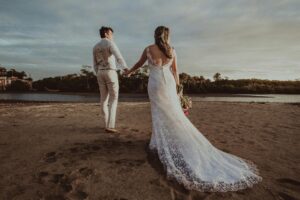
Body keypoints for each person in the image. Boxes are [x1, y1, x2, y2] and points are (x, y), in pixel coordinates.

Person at [124, 26, 262, 192]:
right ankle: (165, 139)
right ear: (167, 36)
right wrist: (178, 91)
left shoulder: (148, 49)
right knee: (173, 114)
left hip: (154, 84)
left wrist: (129, 72)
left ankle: (160, 142)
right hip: (167, 84)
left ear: (155, 35)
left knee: (159, 113)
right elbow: (175, 72)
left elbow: (139, 64)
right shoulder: (172, 50)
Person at [93, 26, 128, 133]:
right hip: (110, 72)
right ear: (106, 33)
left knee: (103, 100)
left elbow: (94, 64)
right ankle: (110, 125)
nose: (112, 36)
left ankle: (105, 124)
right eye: (111, 34)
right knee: (113, 98)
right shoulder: (110, 43)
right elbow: (119, 57)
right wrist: (125, 68)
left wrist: (97, 73)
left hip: (100, 72)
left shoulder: (95, 46)